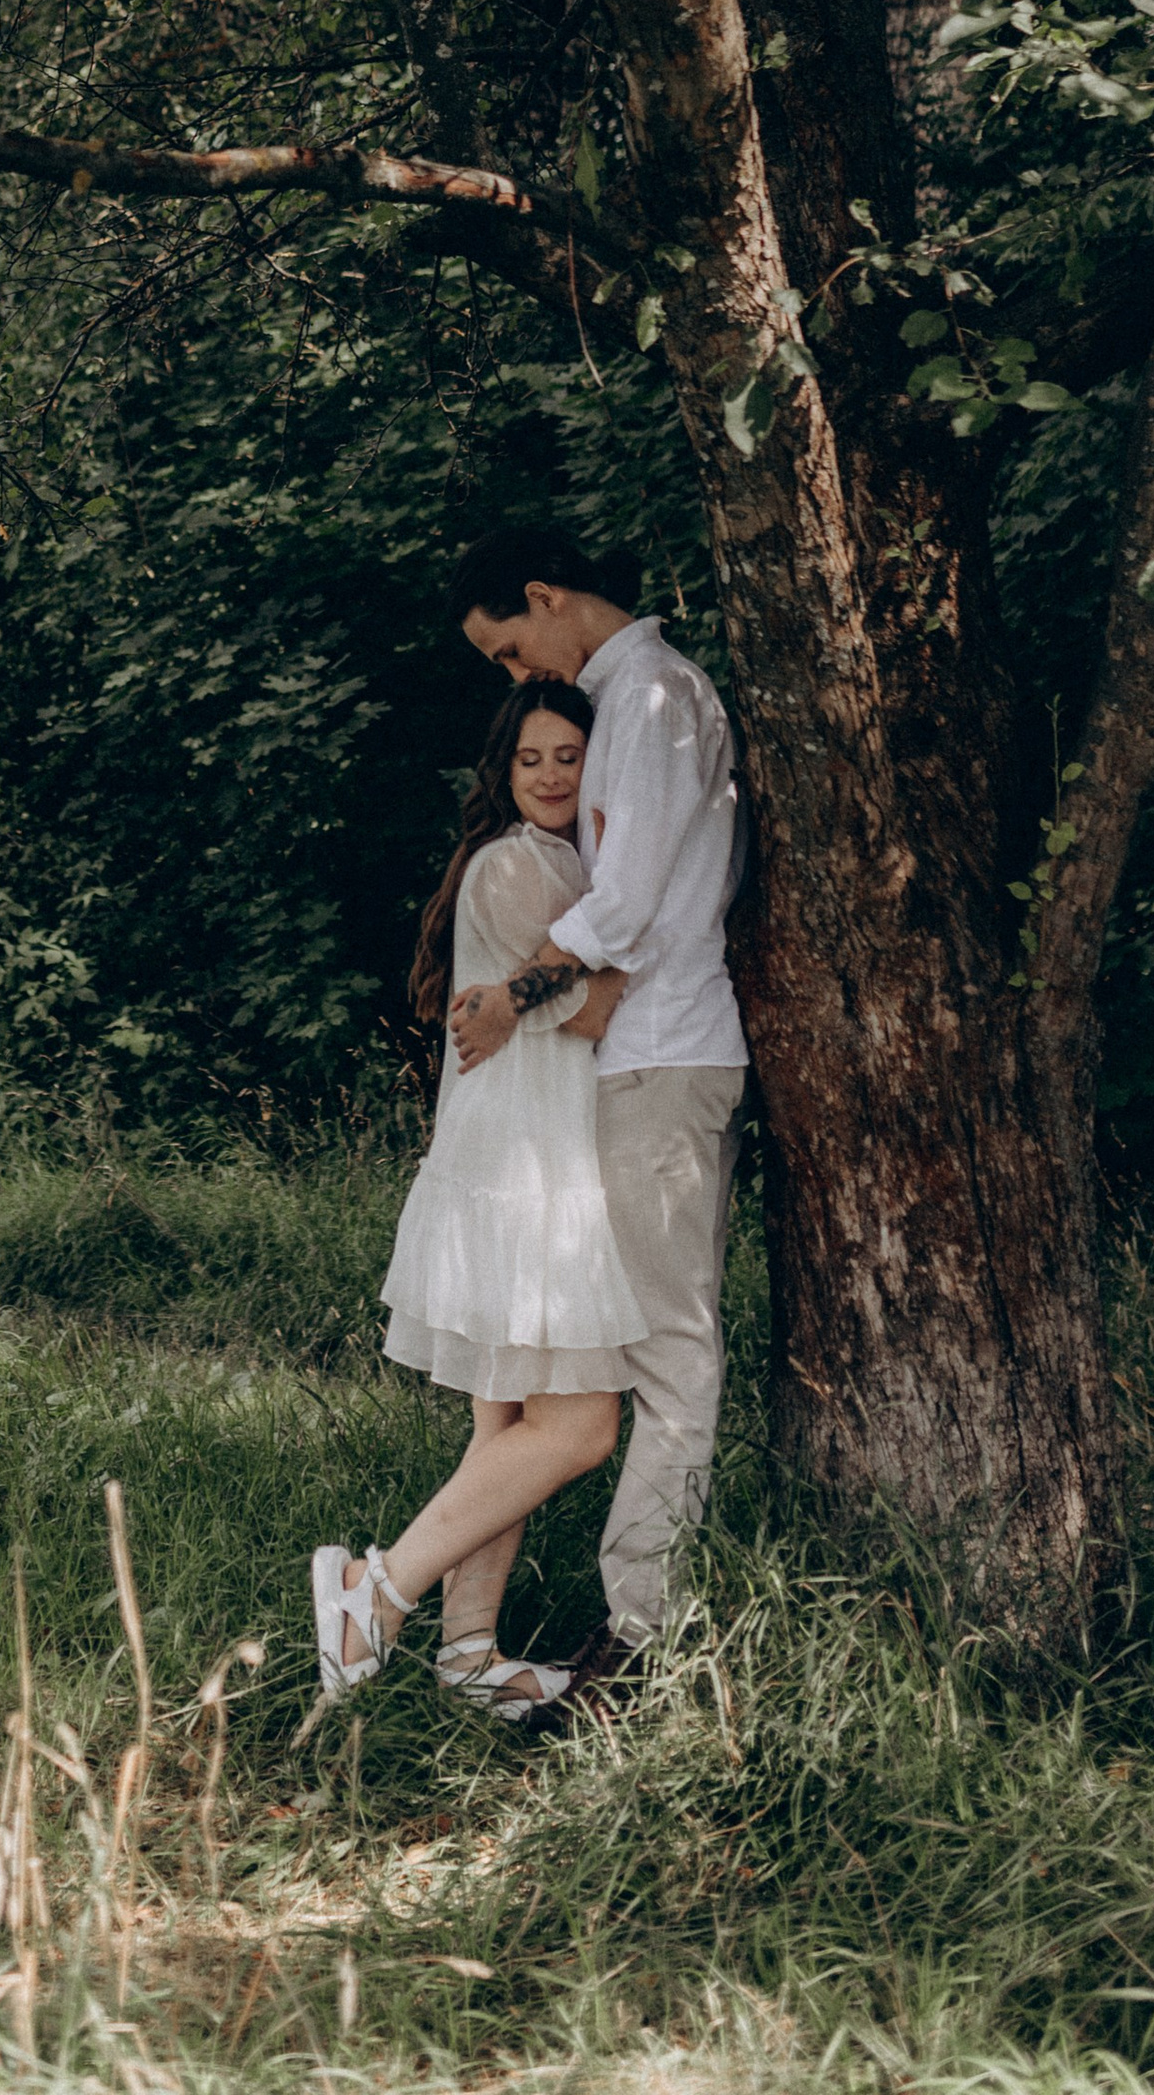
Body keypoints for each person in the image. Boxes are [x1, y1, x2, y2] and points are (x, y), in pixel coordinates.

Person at [446, 525, 748, 1728]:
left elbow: (625, 903)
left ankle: (641, 1637)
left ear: (545, 594)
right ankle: (504, 1631)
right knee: (633, 1358)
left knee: (672, 1357)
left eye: (510, 649)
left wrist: (514, 994)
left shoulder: (657, 696)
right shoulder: (620, 702)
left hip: (664, 1057)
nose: (519, 676)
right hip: (630, 1061)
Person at [310, 680, 645, 1719]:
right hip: (524, 1172)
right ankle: (377, 1591)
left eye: (568, 757)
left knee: (505, 1427)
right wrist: (656, 951)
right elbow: (596, 1009)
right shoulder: (515, 865)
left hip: (522, 1158)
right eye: (528, 759)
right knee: (580, 1427)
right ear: (501, 772)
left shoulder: (562, 863)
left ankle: (467, 1657)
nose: (548, 776)